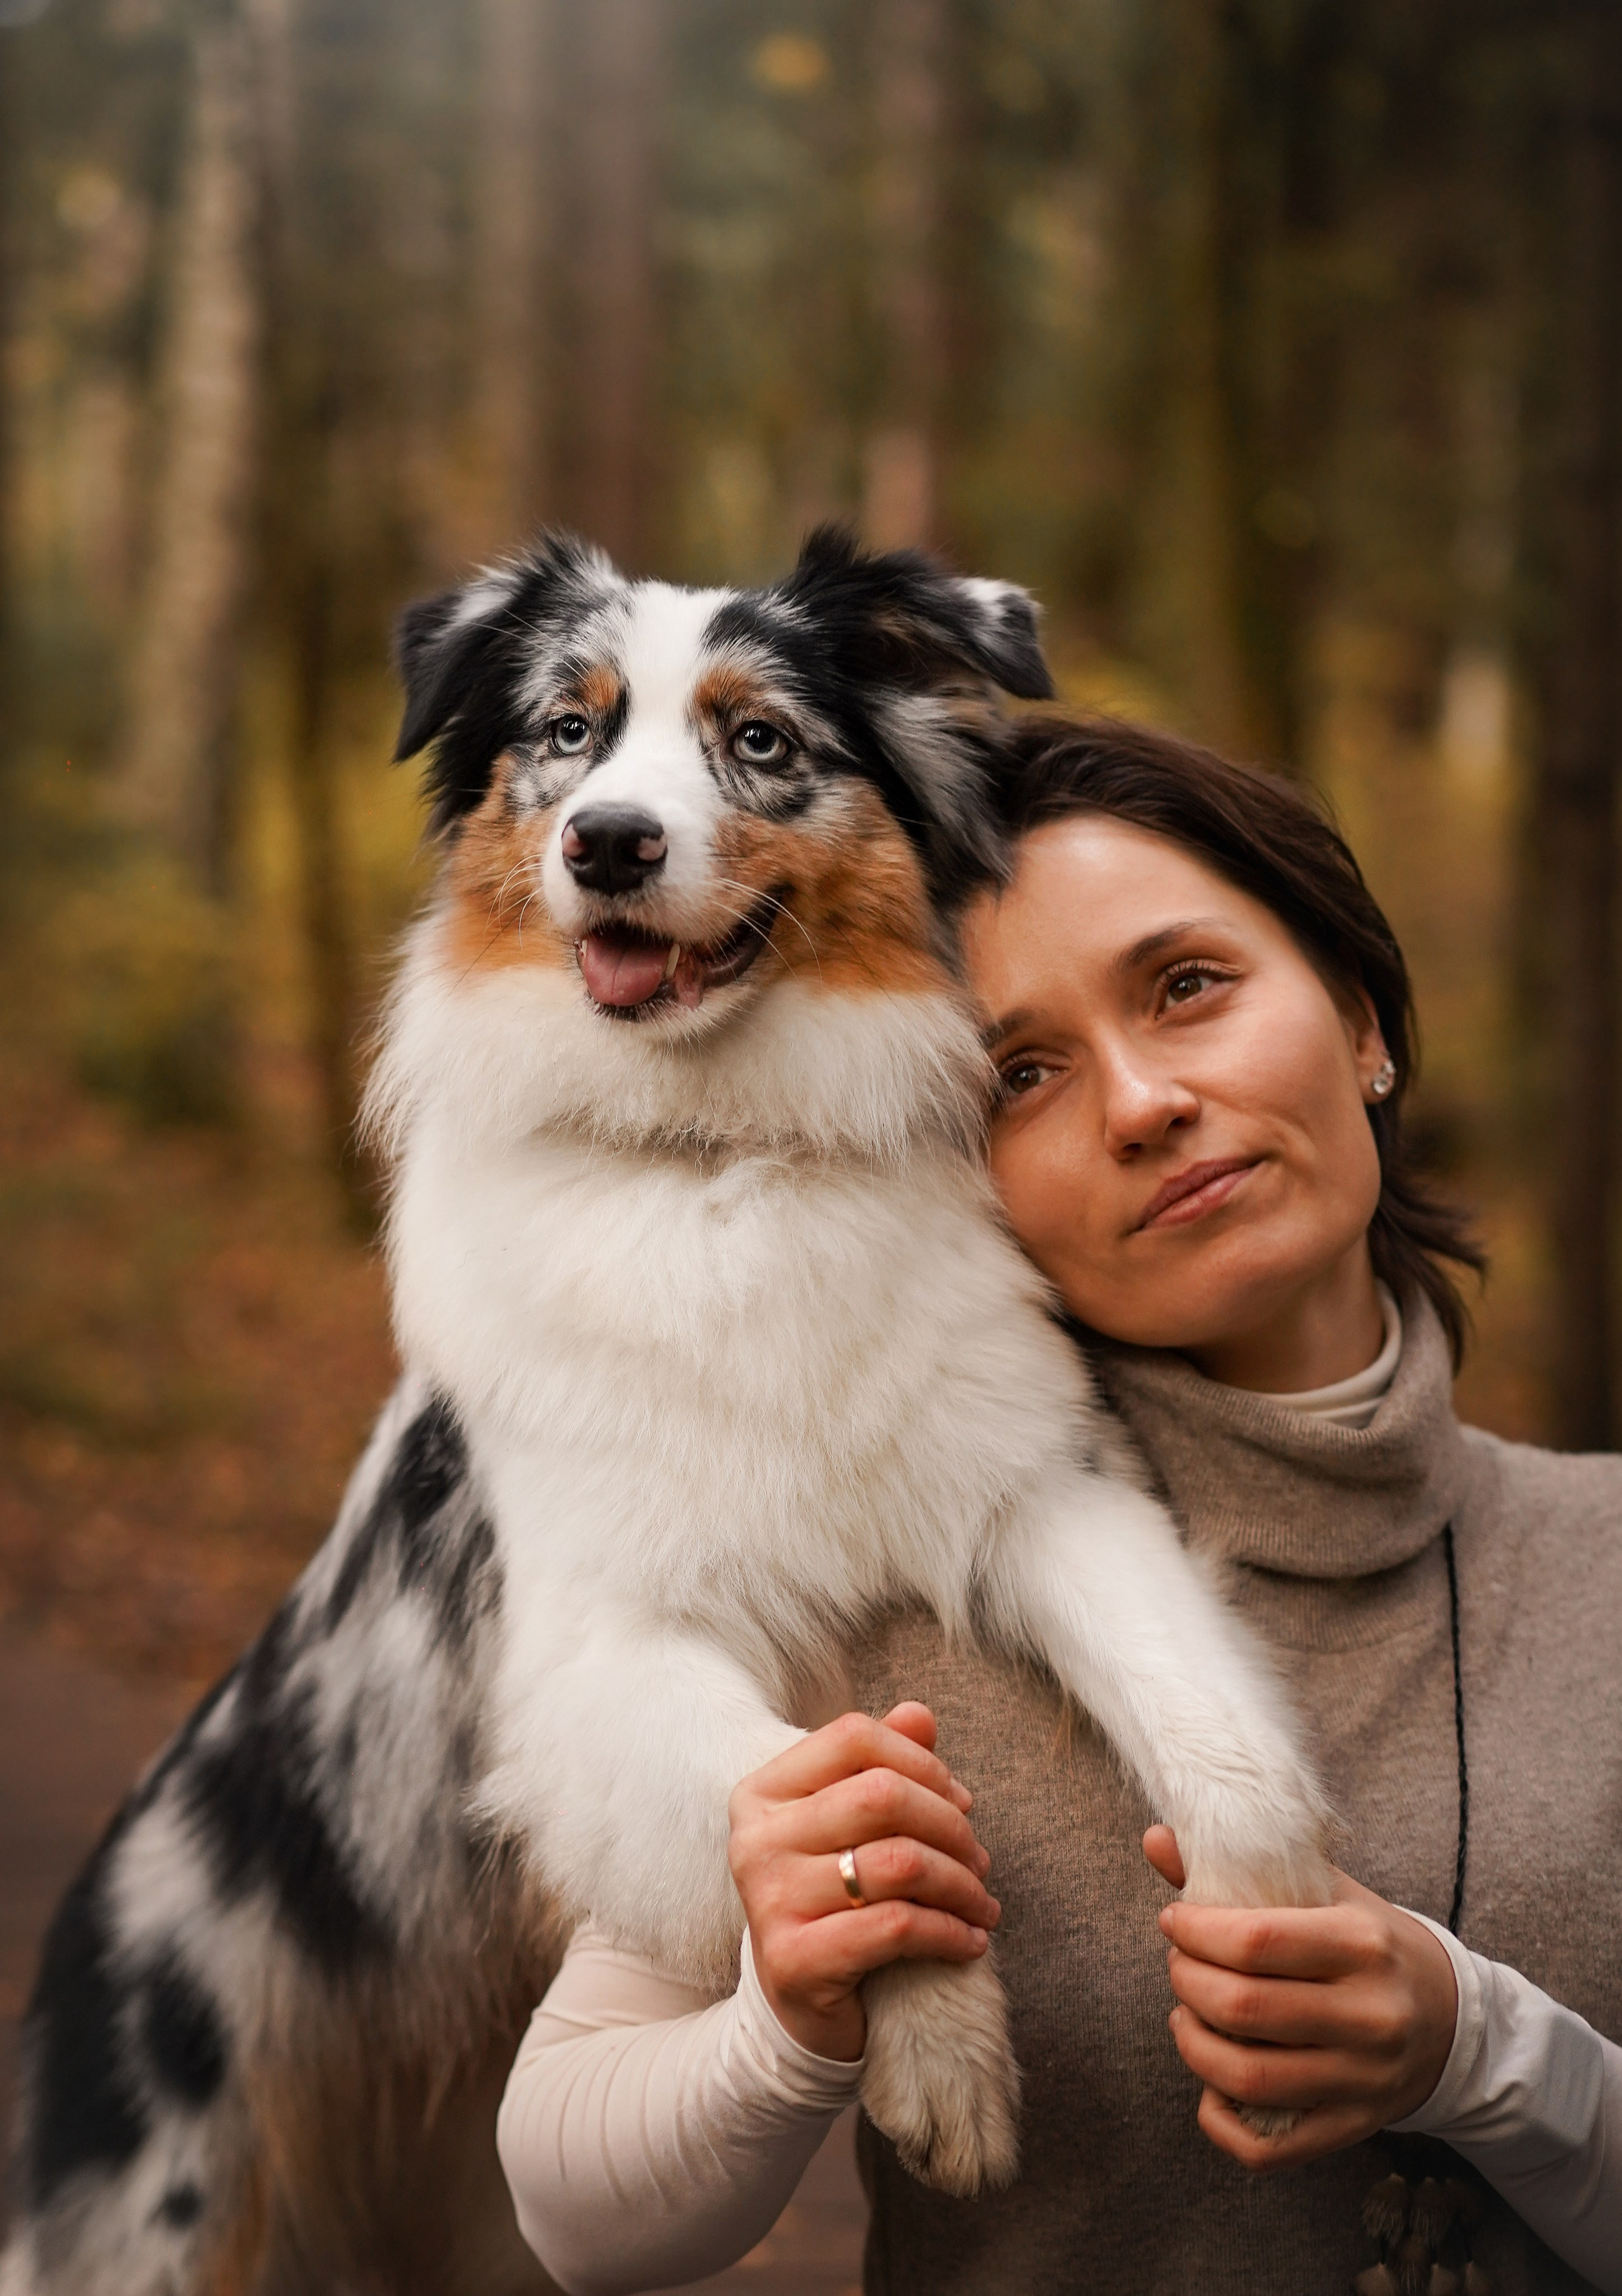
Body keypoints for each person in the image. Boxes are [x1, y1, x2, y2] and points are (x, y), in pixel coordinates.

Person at [495, 715, 1622, 2295]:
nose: (1144, 1102)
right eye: (1021, 1072)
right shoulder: (856, 1578)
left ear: (1359, 1015)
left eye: (1187, 986)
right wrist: (789, 2023)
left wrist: (1488, 2057)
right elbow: (574, 2211)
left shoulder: (1605, 1563)